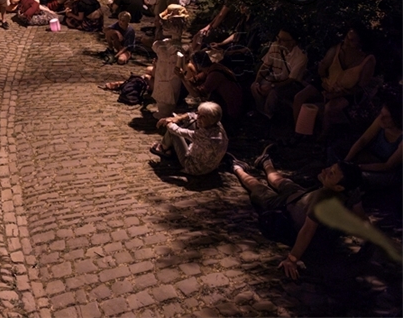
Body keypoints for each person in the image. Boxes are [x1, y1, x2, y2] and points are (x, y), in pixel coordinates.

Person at [229, 156, 363, 280]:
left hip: (284, 206)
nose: (325, 170)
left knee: (257, 187)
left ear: (338, 187)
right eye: (330, 168)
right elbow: (362, 218)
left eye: (331, 173)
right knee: (279, 181)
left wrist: (292, 259)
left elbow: (307, 230)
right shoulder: (351, 191)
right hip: (300, 195)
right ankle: (265, 162)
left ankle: (238, 168)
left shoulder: (322, 201)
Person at [293, 26, 376, 131]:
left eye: (352, 40)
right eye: (346, 37)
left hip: (348, 92)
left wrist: (339, 93)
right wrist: (322, 68)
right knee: (299, 97)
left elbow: (361, 87)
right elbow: (322, 72)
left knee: (330, 108)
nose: (346, 42)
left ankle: (323, 136)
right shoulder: (336, 50)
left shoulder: (367, 61)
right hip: (327, 83)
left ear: (361, 43)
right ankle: (299, 131)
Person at [338, 89, 402, 191]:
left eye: (386, 117)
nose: (381, 118)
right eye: (381, 113)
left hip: (386, 171)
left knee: (356, 177)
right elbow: (363, 140)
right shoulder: (381, 120)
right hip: (370, 156)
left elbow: (388, 165)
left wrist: (357, 167)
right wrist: (346, 161)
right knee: (336, 152)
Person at [151, 102, 229, 176]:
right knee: (191, 121)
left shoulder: (204, 135)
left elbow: (177, 131)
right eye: (199, 114)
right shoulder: (218, 125)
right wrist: (179, 118)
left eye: (203, 117)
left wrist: (169, 121)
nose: (198, 118)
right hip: (211, 166)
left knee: (174, 132)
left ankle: (163, 148)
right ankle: (169, 147)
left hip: (194, 167)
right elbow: (193, 115)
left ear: (211, 119)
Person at [251, 29, 309, 119]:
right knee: (254, 87)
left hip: (291, 84)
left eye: (283, 40)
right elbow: (265, 66)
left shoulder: (300, 56)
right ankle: (261, 112)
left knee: (273, 93)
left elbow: (291, 79)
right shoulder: (275, 46)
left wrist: (272, 86)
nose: (278, 42)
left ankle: (268, 116)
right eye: (278, 38)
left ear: (293, 42)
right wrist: (257, 81)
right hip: (276, 78)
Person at [181, 51, 244, 123]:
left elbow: (196, 94)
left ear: (197, 65)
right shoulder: (214, 67)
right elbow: (197, 79)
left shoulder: (215, 74)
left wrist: (182, 78)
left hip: (230, 110)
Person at [151, 5, 187, 119]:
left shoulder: (175, 49)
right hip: (164, 74)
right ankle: (164, 111)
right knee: (163, 93)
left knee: (168, 94)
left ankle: (165, 112)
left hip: (169, 76)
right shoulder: (165, 44)